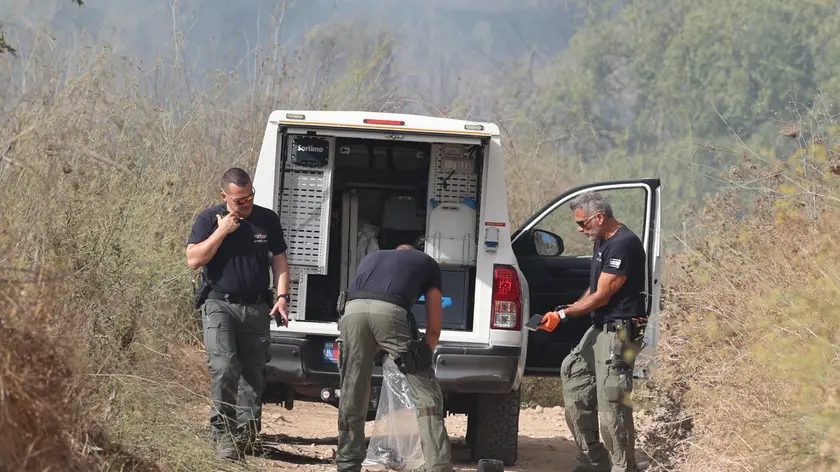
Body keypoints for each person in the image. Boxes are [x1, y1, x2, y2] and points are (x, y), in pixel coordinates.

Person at [186, 167, 291, 461]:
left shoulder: (266, 219)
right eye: (239, 201)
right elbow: (193, 260)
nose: (245, 205)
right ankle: (223, 436)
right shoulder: (209, 219)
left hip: (257, 307)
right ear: (224, 196)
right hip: (220, 304)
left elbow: (280, 262)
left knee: (253, 373)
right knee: (224, 367)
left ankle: (247, 438)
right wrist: (222, 231)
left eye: (249, 198)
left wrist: (282, 296)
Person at [538, 191, 648, 472]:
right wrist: (573, 306)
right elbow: (596, 288)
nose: (580, 229)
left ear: (600, 217)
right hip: (599, 327)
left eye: (583, 223)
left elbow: (603, 295)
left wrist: (564, 314)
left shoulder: (624, 244)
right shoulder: (602, 241)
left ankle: (623, 467)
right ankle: (592, 462)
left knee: (612, 404)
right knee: (574, 378)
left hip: (620, 333)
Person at [335, 244, 453, 472]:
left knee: (353, 390)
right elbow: (434, 327)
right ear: (413, 252)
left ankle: (347, 463)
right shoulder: (427, 263)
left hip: (351, 312)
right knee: (427, 398)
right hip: (389, 313)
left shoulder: (372, 258)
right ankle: (438, 466)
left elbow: (366, 302)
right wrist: (419, 361)